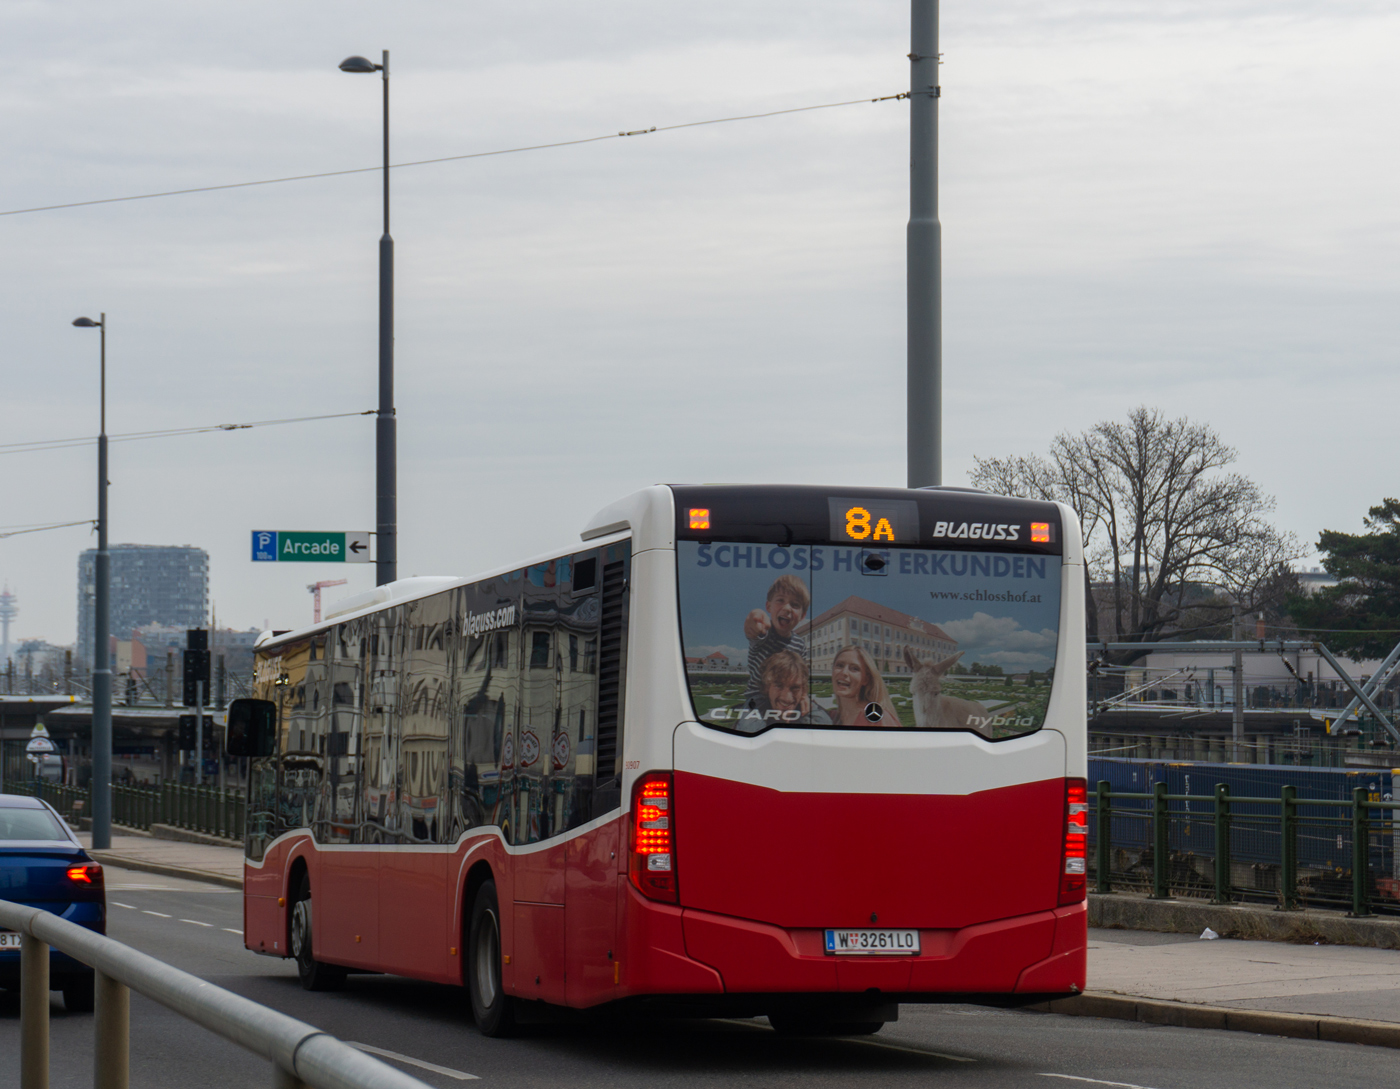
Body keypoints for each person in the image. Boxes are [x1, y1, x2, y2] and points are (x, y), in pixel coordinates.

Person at [742, 574, 810, 703]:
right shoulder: (765, 632)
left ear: (802, 615)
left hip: (787, 697)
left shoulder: (800, 644)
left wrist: (803, 695)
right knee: (750, 724)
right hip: (758, 697)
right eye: (780, 600)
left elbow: (801, 675)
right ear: (768, 607)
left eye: (795, 604)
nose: (787, 608)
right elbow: (754, 630)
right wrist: (754, 617)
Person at [734, 651, 831, 731]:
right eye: (779, 686)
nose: (787, 698)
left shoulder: (814, 713)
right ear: (767, 687)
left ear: (803, 690)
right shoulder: (754, 713)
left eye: (795, 688)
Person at [829, 645, 903, 727]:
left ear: (866, 679)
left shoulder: (877, 718)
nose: (844, 672)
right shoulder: (830, 717)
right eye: (840, 665)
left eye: (854, 668)